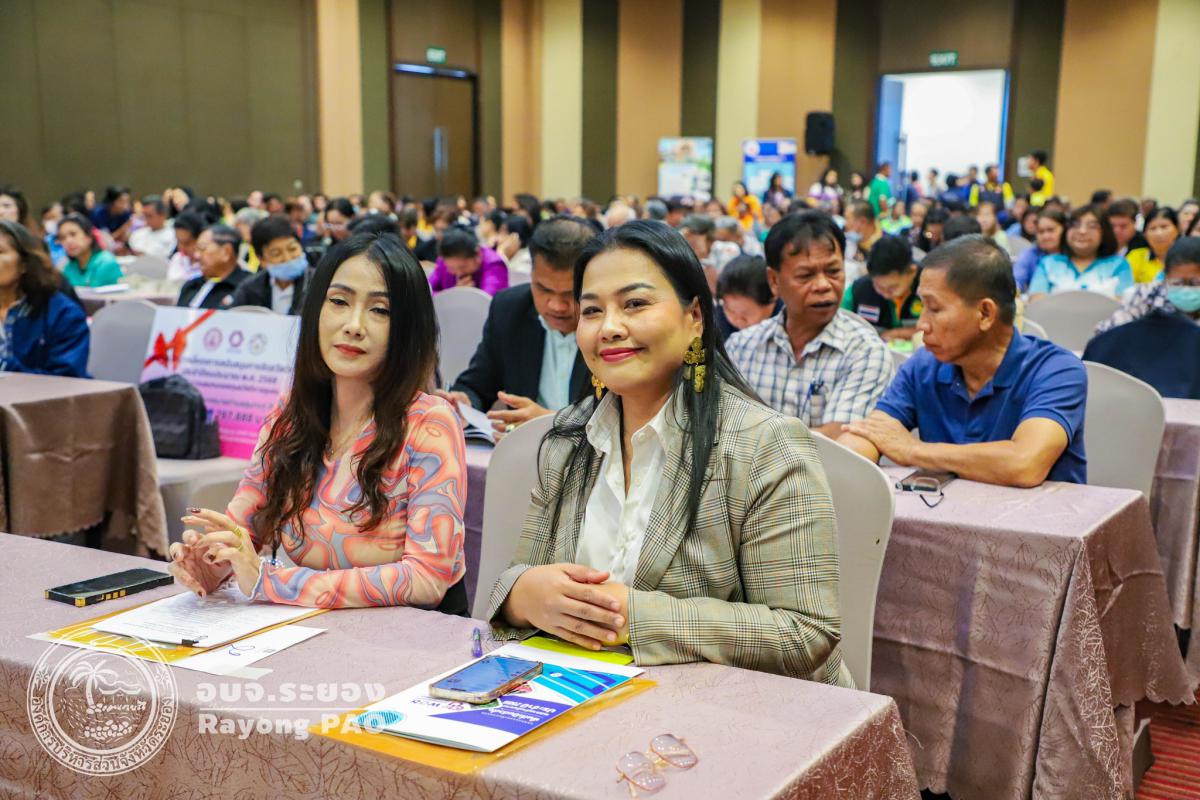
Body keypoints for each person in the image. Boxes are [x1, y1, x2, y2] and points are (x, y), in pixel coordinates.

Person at [485, 220, 848, 685]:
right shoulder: (569, 437)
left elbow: (804, 633)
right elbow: (517, 576)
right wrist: (521, 595)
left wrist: (627, 615)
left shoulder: (764, 444)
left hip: (733, 709)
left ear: (694, 317)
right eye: (592, 311)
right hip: (586, 692)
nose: (609, 328)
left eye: (635, 304)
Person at [169, 232, 468, 610]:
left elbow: (427, 578)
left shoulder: (430, 425)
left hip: (410, 635)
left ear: (408, 329)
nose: (354, 325)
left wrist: (273, 581)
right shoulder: (290, 415)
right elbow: (244, 529)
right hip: (314, 628)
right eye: (339, 302)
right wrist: (212, 562)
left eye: (380, 310)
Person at [839, 236, 1087, 487]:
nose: (922, 324)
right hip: (943, 512)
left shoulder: (1056, 370)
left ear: (985, 313)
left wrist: (913, 450)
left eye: (934, 309)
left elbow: (1024, 463)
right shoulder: (923, 365)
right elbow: (872, 433)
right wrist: (855, 449)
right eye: (922, 307)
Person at [726, 211, 893, 437]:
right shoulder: (741, 347)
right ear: (774, 281)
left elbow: (840, 440)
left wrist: (751, 438)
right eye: (805, 275)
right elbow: (721, 425)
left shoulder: (865, 351)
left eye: (833, 271)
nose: (823, 285)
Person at [438, 216, 594, 434]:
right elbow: (477, 384)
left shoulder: (610, 324)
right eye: (544, 289)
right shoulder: (509, 310)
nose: (557, 306)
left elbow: (623, 419)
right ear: (531, 275)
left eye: (571, 293)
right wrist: (464, 401)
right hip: (520, 451)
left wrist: (552, 422)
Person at [1083, 237, 1200, 399]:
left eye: (1195, 283)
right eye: (1177, 283)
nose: (1186, 290)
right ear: (1166, 277)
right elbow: (1106, 332)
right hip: (1146, 384)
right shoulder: (1148, 294)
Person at [0, 221, 90, 377]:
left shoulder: (62, 313)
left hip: (46, 392)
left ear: (25, 263)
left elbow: (67, 379)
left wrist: (4, 366)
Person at [1029, 205, 1133, 299]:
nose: (1082, 231)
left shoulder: (1118, 264)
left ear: (1104, 233)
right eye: (1075, 225)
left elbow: (1123, 304)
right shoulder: (1049, 263)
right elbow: (1037, 302)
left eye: (1092, 226)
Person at [841, 234, 922, 340]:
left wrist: (898, 333)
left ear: (912, 272)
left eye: (892, 288)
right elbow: (840, 325)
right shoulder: (857, 291)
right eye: (879, 287)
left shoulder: (931, 287)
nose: (886, 294)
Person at [229, 215, 309, 314]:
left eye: (292, 249)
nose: (287, 258)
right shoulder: (250, 289)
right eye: (276, 254)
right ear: (261, 259)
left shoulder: (319, 283)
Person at [177, 225, 252, 310]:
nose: (197, 255)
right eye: (197, 249)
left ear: (226, 252)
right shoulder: (191, 286)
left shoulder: (248, 288)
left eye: (202, 248)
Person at [427, 226, 509, 296]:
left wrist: (465, 295)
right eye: (451, 268)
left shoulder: (494, 264)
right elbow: (426, 293)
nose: (459, 273)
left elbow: (489, 300)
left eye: (462, 267)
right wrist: (454, 293)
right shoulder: (443, 261)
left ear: (477, 254)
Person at [716, 254, 781, 339]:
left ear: (772, 300)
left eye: (745, 313)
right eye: (731, 311)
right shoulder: (718, 320)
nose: (738, 320)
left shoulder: (789, 321)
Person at [57, 214, 123, 288]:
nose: (68, 241)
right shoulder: (68, 268)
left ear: (89, 236)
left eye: (73, 234)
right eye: (62, 238)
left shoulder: (106, 262)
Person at [1012, 207, 1066, 292]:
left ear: (1065, 230)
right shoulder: (1030, 254)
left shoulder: (1075, 254)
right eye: (1041, 232)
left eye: (1051, 230)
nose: (1045, 236)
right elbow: (1016, 281)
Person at [1125, 207, 1180, 284]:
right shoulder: (1136, 257)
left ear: (1177, 229)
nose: (1159, 233)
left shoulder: (1188, 257)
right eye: (1153, 229)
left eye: (1164, 227)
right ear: (1145, 234)